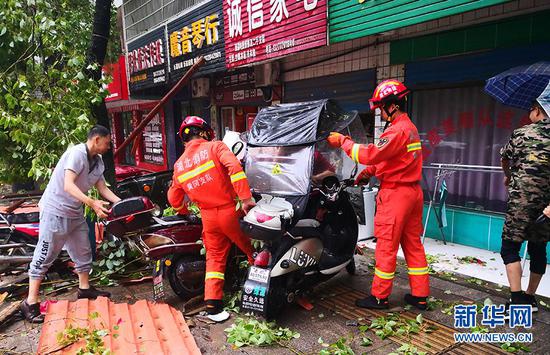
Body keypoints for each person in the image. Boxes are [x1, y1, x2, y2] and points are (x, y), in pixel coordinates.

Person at [326, 79, 430, 310]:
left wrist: (342, 141)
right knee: (413, 245)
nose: (380, 113)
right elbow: (392, 160)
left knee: (386, 246)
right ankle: (420, 295)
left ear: (391, 105)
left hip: (396, 196)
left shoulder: (396, 130)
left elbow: (370, 154)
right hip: (412, 193)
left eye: (381, 108)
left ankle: (379, 297)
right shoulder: (409, 128)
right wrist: (367, 174)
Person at [20, 125, 121, 323]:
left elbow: (102, 188)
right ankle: (30, 302)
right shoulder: (76, 154)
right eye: (107, 142)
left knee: (83, 251)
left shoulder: (98, 161)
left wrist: (122, 204)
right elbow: (68, 185)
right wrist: (91, 203)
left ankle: (84, 290)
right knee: (46, 254)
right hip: (55, 212)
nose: (109, 146)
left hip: (74, 212)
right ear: (97, 139)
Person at [167, 116, 256, 322]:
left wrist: (183, 210)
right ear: (205, 132)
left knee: (214, 259)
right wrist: (245, 198)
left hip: (208, 217)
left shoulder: (179, 165)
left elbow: (173, 197)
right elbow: (235, 168)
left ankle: (213, 306)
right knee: (252, 250)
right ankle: (258, 294)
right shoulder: (216, 147)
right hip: (230, 212)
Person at [500, 99, 550, 312]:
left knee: (510, 247)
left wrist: (509, 177)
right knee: (538, 249)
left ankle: (517, 299)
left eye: (531, 109)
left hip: (520, 202)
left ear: (538, 109)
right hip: (546, 207)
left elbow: (505, 158)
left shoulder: (521, 134)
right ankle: (530, 298)